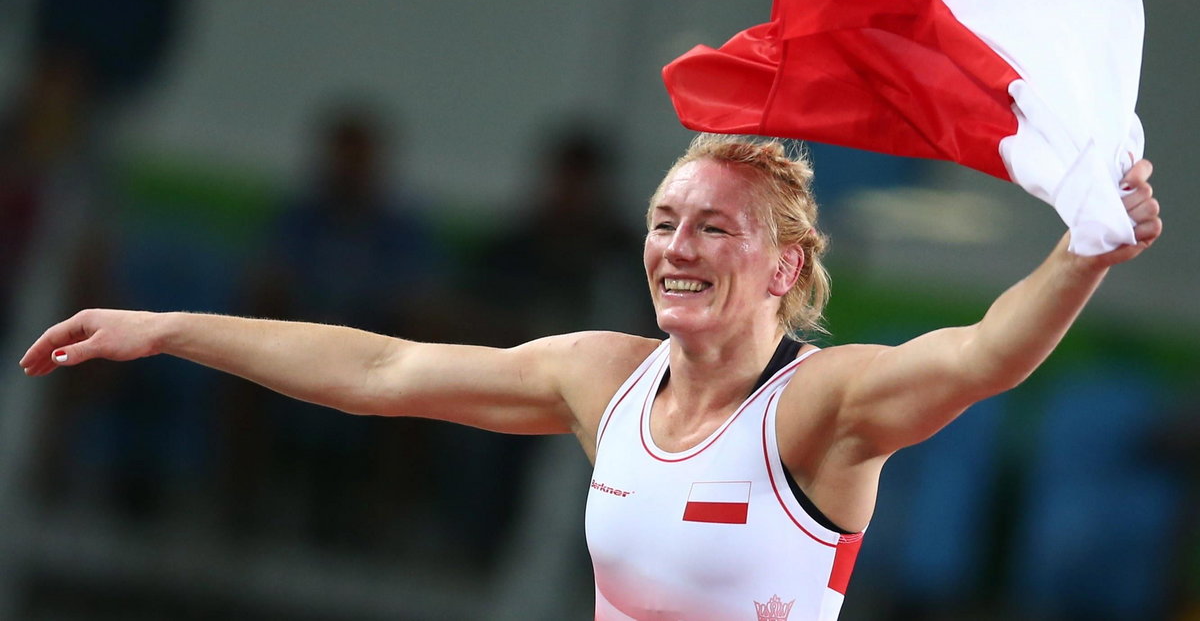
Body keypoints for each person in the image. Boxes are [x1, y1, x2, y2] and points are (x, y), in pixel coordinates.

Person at [20, 134, 1162, 620]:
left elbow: (986, 352)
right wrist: (170, 325)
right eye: (665, 221)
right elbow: (381, 367)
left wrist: (1085, 251)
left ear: (787, 264)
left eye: (713, 228)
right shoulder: (599, 377)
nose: (675, 246)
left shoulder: (820, 408)